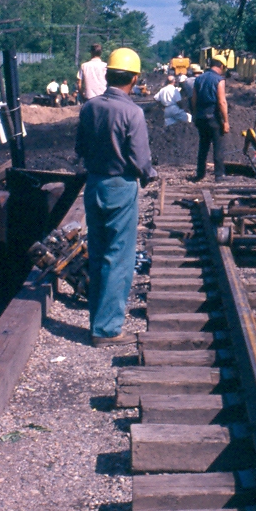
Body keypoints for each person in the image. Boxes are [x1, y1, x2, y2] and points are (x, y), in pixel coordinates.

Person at [75, 48, 157, 346]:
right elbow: (140, 158)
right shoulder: (132, 112)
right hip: (121, 186)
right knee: (118, 258)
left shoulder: (89, 107)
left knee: (97, 254)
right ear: (134, 79)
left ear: (108, 74)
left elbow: (80, 148)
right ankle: (107, 330)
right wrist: (149, 175)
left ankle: (97, 321)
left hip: (94, 185)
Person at [192, 55, 230, 182]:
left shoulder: (199, 79)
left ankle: (200, 174)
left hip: (201, 116)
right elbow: (222, 102)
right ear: (221, 66)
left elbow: (194, 100)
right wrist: (225, 121)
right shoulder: (219, 80)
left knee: (203, 146)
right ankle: (219, 175)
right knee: (218, 146)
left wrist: (195, 115)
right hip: (213, 116)